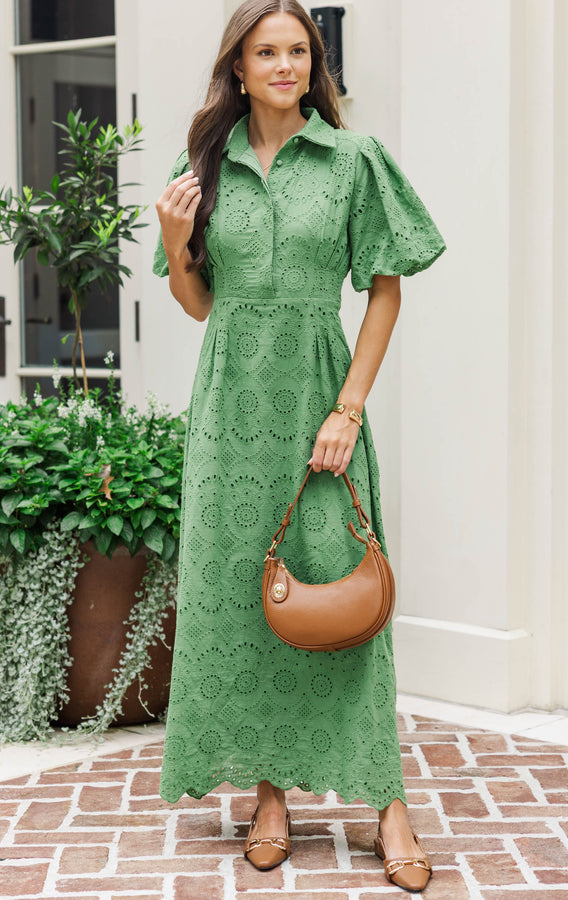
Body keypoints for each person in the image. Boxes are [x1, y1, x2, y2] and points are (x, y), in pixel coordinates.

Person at [153, 0, 445, 891]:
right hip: (229, 406)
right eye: (265, 52)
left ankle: (386, 801)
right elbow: (201, 305)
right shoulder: (206, 162)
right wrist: (174, 245)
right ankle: (271, 796)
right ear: (237, 68)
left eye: (297, 51)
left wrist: (348, 407)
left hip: (320, 394)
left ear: (313, 64)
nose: (284, 65)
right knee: (250, 592)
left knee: (343, 589)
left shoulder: (353, 160)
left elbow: (385, 290)